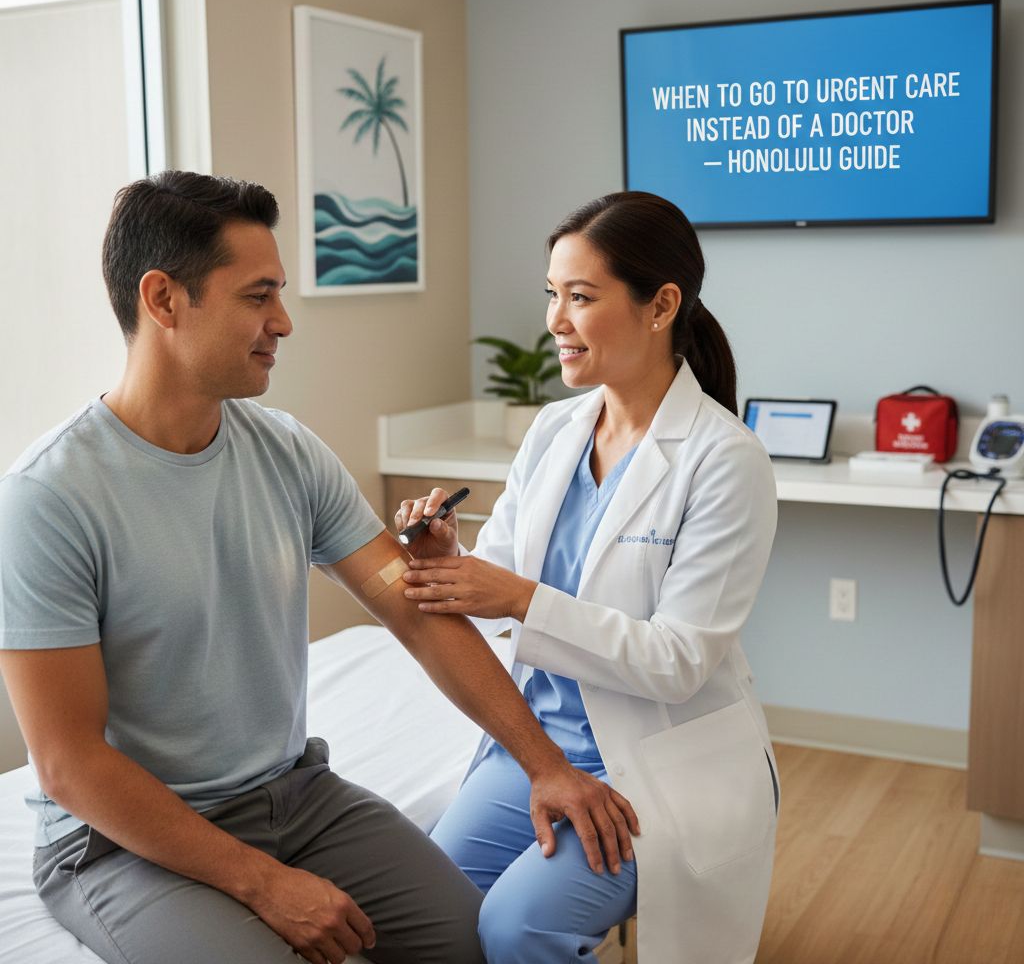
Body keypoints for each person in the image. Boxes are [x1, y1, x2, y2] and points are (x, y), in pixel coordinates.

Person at [0, 171, 640, 964]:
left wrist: (547, 767)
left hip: (293, 798)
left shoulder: (286, 452)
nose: (284, 321)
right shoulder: (49, 498)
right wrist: (263, 883)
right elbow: (68, 763)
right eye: (257, 296)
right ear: (164, 300)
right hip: (121, 844)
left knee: (467, 943)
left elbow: (410, 607)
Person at [395, 191, 780, 964]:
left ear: (661, 304)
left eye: (581, 297)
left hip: (653, 765)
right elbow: (501, 579)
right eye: (552, 295)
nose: (556, 322)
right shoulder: (555, 430)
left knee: (517, 928)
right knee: (425, 912)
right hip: (536, 749)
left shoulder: (724, 458)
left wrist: (518, 597)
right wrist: (449, 560)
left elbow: (677, 663)